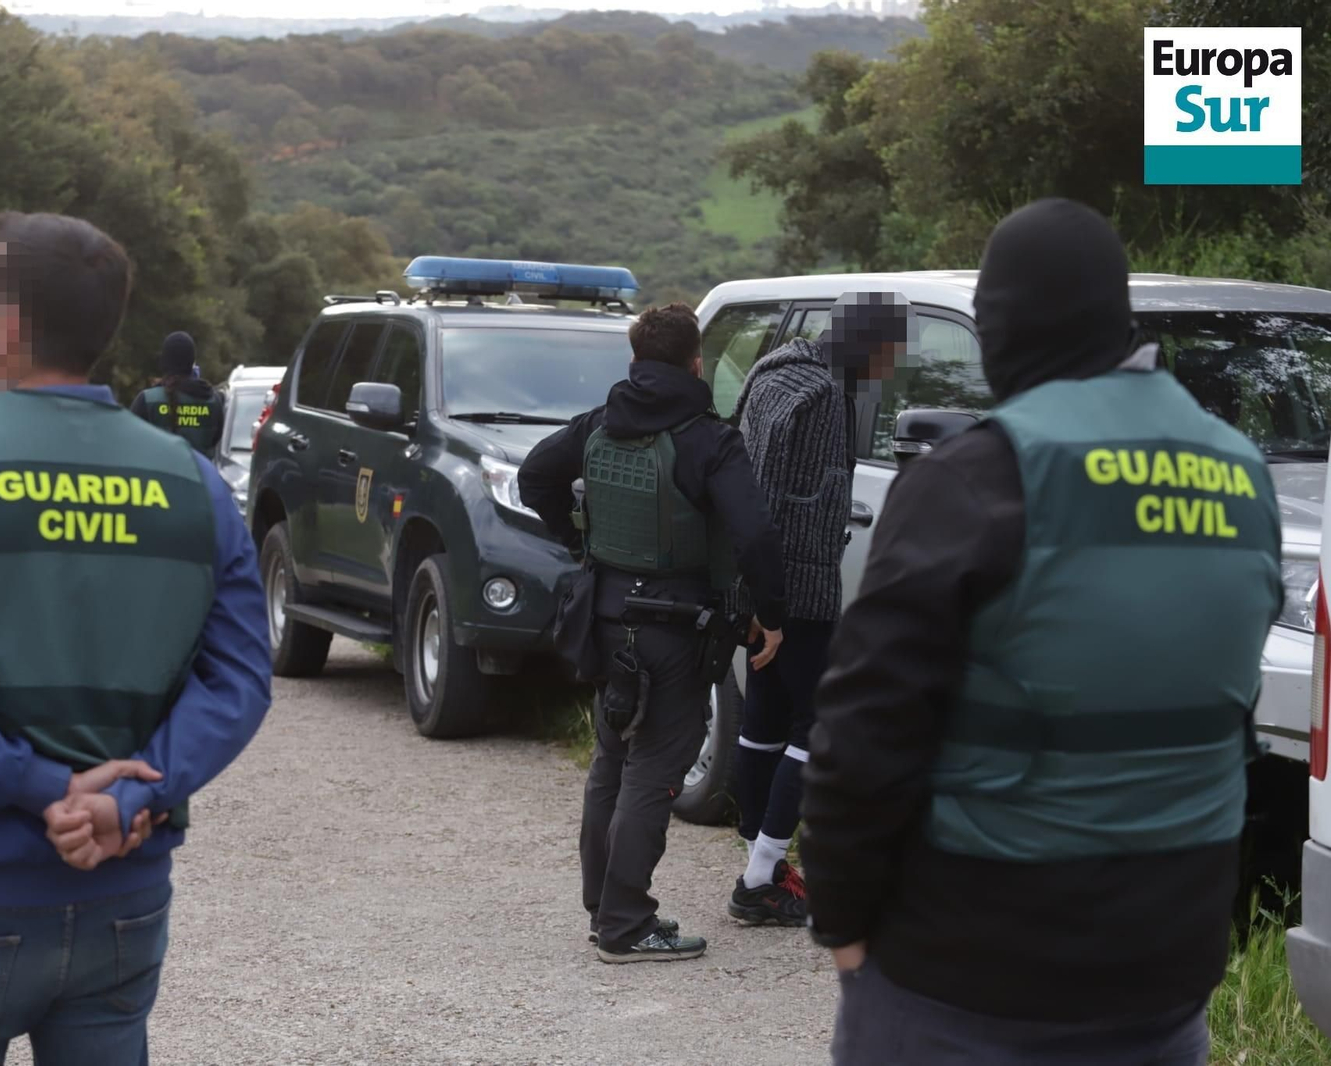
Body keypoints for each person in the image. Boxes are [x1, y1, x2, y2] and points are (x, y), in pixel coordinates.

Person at [800, 198, 1283, 1065]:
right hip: (1168, 971)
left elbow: (862, 736)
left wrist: (840, 923)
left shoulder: (975, 476)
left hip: (973, 979)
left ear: (1001, 326)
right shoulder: (1243, 476)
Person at [0, 211, 273, 1065]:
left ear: (1, 324)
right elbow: (238, 682)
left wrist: (41, 787)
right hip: (124, 895)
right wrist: (124, 802)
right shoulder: (194, 487)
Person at [519, 302, 789, 963]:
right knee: (653, 771)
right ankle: (626, 924)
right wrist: (772, 614)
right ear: (697, 363)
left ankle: (604, 912)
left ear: (634, 362)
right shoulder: (709, 440)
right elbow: (754, 534)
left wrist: (580, 541)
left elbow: (533, 477)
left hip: (605, 620)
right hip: (677, 629)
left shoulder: (598, 426)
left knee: (612, 763)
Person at [725, 291, 914, 926]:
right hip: (795, 594)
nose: (896, 361)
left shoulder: (771, 371)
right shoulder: (823, 397)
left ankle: (762, 859)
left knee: (764, 719)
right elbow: (779, 503)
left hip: (760, 585)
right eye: (894, 347)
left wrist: (751, 593)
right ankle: (759, 879)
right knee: (817, 726)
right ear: (871, 343)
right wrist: (773, 608)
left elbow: (745, 488)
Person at [130, 330, 226, 459]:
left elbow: (133, 442)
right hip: (199, 477)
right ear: (192, 362)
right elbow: (214, 440)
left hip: (157, 477)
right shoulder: (213, 400)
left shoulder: (147, 400)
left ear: (164, 362)